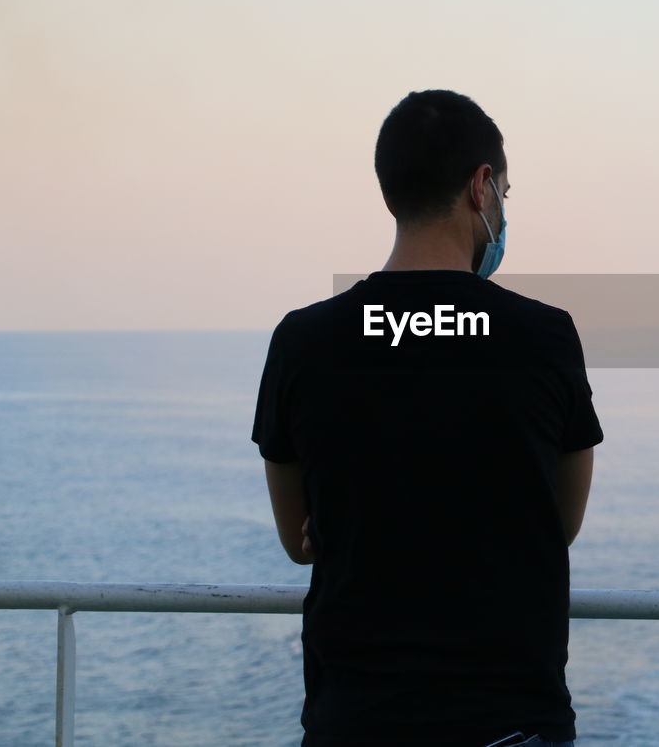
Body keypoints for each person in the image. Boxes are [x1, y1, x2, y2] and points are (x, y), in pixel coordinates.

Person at [252, 89, 604, 747]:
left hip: (356, 722)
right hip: (510, 723)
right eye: (505, 189)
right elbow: (561, 520)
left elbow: (299, 538)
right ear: (481, 187)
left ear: (390, 193)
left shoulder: (303, 341)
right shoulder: (545, 336)